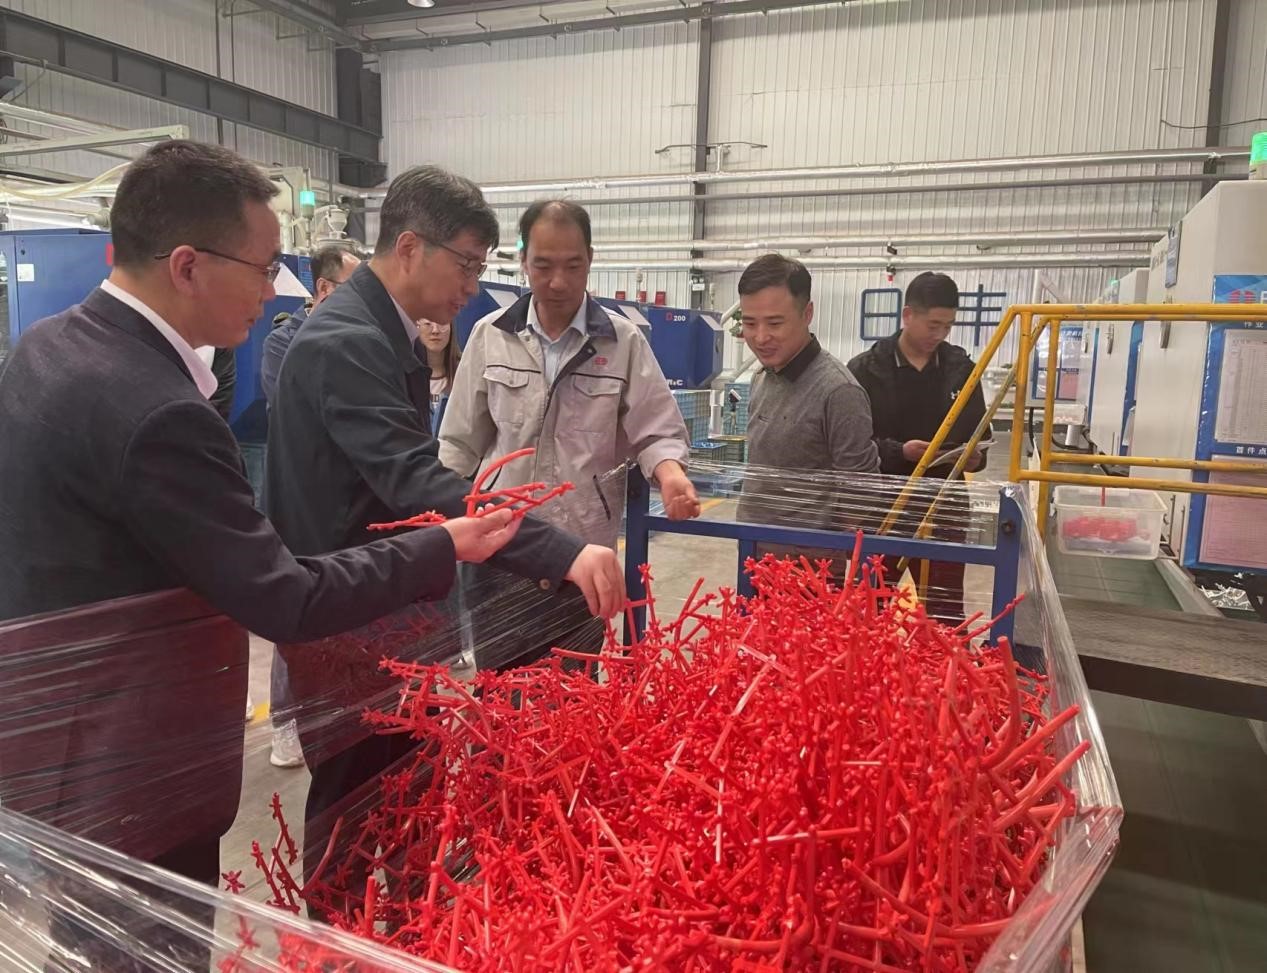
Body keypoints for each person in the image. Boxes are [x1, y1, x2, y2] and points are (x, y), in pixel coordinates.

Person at [0, 140, 520, 968]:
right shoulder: (159, 411)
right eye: (265, 266)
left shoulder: (47, 348)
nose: (275, 289)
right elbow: (283, 597)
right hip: (130, 772)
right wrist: (441, 544)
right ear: (186, 266)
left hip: (56, 753)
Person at [265, 166, 626, 885]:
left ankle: (398, 924)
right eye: (465, 265)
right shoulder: (348, 342)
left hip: (383, 610)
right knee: (353, 803)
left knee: (401, 790)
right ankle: (336, 937)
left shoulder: (382, 333)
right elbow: (419, 481)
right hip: (348, 618)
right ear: (409, 247)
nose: (472, 285)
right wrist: (561, 552)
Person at [440, 199, 698, 668]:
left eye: (572, 266)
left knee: (573, 695)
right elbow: (459, 442)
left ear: (590, 260)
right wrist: (437, 525)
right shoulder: (489, 335)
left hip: (583, 556)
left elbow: (657, 429)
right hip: (501, 548)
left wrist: (670, 473)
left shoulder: (622, 342)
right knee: (499, 693)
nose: (557, 282)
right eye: (543, 266)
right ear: (523, 261)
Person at [847, 271, 990, 624]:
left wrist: (974, 458)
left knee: (945, 613)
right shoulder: (865, 370)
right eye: (933, 325)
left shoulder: (962, 371)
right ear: (908, 315)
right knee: (870, 610)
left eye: (948, 326)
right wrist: (900, 452)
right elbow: (853, 445)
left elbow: (981, 435)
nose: (939, 335)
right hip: (883, 505)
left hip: (945, 506)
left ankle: (943, 658)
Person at [734, 254, 880, 569]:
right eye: (749, 323)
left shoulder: (839, 391)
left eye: (775, 323)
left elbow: (861, 493)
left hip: (811, 573)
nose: (760, 337)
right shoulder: (762, 376)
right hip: (755, 555)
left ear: (807, 313)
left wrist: (828, 561)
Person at [260, 244, 360, 406]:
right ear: (324, 287)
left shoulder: (361, 339)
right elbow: (292, 408)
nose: (362, 299)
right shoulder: (282, 343)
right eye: (355, 288)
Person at [419, 316, 459, 429]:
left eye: (442, 323)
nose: (435, 330)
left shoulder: (467, 372)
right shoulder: (405, 374)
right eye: (428, 324)